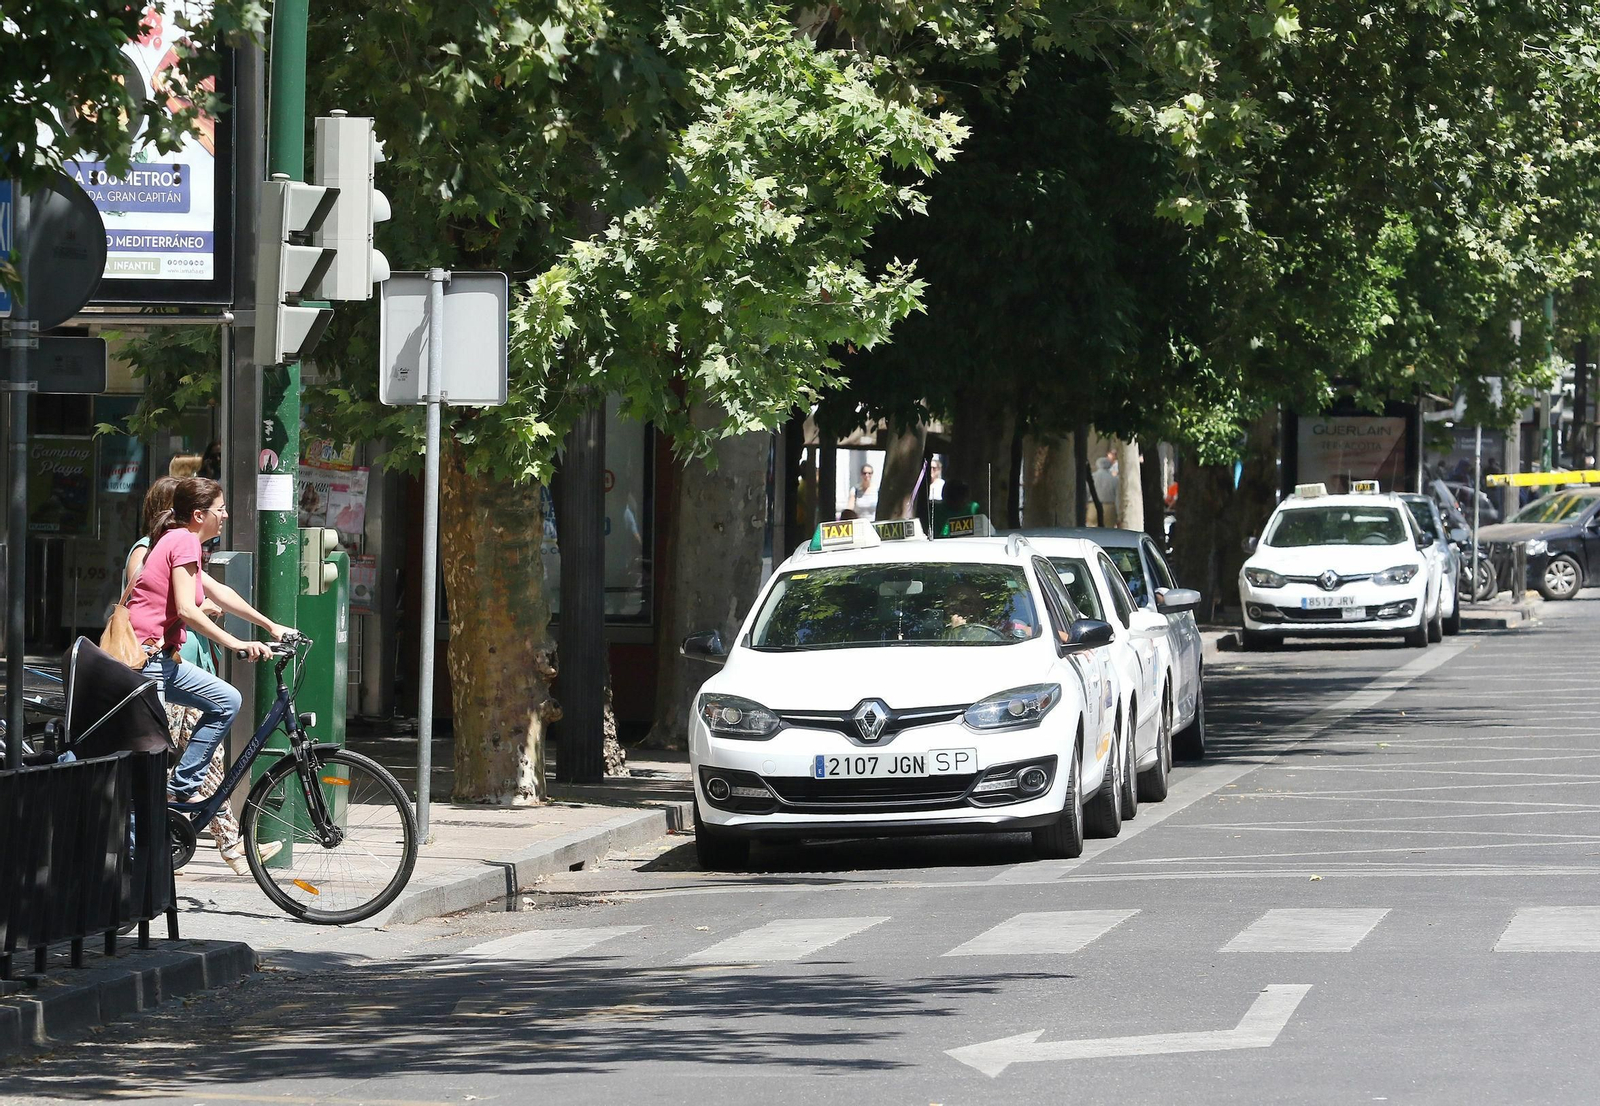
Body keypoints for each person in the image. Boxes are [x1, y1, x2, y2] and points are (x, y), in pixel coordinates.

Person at [124, 478, 280, 874]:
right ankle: (131, 862)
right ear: (199, 515)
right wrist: (237, 644)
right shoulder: (183, 541)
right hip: (147, 662)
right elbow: (189, 611)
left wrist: (269, 625)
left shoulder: (181, 541)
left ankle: (181, 788)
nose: (225, 515)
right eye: (221, 509)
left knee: (227, 700)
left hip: (163, 661)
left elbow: (218, 594)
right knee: (147, 760)